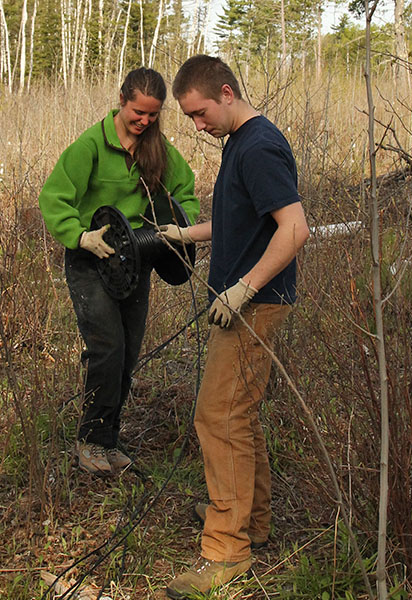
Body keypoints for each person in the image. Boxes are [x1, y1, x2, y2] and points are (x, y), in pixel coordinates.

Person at [160, 55, 309, 598]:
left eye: (200, 113)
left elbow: (295, 228)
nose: (198, 126)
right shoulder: (239, 144)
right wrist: (185, 235)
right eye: (190, 118)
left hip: (255, 305)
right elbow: (239, 221)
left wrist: (245, 287)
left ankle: (226, 549)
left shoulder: (259, 146)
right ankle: (253, 520)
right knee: (237, 416)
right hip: (240, 303)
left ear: (226, 93)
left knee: (218, 418)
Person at [39, 67, 199, 476]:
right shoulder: (91, 146)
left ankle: (108, 441)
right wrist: (79, 236)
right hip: (90, 259)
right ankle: (90, 441)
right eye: (137, 112)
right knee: (107, 348)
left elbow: (185, 191)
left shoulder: (158, 148)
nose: (144, 121)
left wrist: (180, 226)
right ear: (122, 100)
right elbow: (53, 197)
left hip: (134, 260)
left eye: (153, 114)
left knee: (127, 353)